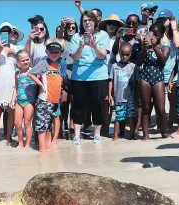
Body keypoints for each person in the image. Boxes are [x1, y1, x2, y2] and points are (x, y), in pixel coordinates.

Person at [69, 11, 110, 145]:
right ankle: (76, 135)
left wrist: (94, 45)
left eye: (90, 20)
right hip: (79, 76)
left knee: (97, 105)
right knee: (78, 105)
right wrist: (81, 47)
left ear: (95, 21)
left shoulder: (103, 35)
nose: (87, 23)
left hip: (98, 76)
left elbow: (102, 55)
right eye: (84, 20)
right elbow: (75, 57)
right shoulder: (76, 37)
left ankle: (96, 134)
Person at [28, 39, 64, 152]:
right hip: (44, 100)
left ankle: (47, 147)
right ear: (46, 52)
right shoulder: (44, 63)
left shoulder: (57, 65)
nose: (54, 54)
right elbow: (30, 73)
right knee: (42, 126)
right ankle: (42, 150)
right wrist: (40, 84)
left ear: (60, 53)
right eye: (51, 52)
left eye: (56, 52)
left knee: (48, 126)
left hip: (54, 101)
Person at [137, 23, 169, 140]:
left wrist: (155, 47)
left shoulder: (164, 48)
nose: (153, 36)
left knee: (160, 108)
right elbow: (139, 62)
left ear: (161, 35)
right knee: (145, 107)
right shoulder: (145, 47)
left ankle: (164, 132)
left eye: (156, 34)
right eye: (151, 34)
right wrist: (145, 48)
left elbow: (162, 61)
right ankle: (145, 135)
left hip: (158, 78)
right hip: (145, 77)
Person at [108, 43, 138, 141]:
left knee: (131, 117)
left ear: (130, 54)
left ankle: (132, 135)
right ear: (119, 54)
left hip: (130, 98)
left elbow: (136, 83)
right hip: (119, 97)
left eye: (127, 54)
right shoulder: (114, 66)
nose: (124, 57)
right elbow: (111, 81)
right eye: (122, 54)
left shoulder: (133, 67)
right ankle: (115, 137)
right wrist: (109, 94)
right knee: (118, 117)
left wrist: (136, 97)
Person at [10, 50, 38, 148]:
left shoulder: (33, 72)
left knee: (27, 123)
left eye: (27, 59)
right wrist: (13, 99)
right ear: (18, 63)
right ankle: (21, 143)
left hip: (30, 101)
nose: (26, 62)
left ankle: (28, 144)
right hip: (19, 101)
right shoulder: (17, 74)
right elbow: (16, 88)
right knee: (17, 123)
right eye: (23, 61)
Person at [58, 17, 79, 139]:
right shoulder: (62, 42)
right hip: (64, 77)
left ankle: (72, 126)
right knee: (63, 103)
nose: (71, 29)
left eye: (73, 28)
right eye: (69, 28)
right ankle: (62, 125)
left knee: (74, 103)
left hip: (76, 77)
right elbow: (60, 37)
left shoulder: (78, 41)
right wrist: (62, 25)